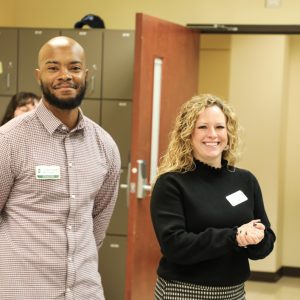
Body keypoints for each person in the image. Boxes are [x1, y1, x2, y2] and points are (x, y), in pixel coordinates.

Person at [0, 36, 121, 299]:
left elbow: (96, 228)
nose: (65, 75)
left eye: (74, 68)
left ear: (86, 74)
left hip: (83, 292)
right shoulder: (9, 141)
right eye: (53, 67)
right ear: (38, 75)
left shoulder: (105, 146)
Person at [150, 94, 276, 300]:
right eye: (202, 127)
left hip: (234, 293)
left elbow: (266, 239)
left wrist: (258, 238)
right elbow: (175, 246)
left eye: (219, 127)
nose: (212, 134)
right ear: (187, 134)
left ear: (229, 133)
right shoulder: (171, 183)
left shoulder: (245, 180)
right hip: (184, 292)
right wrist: (233, 236)